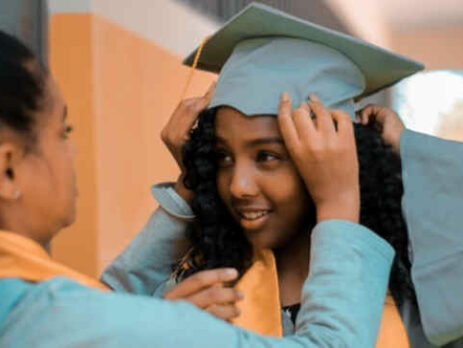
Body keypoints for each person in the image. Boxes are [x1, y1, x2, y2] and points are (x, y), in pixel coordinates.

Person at [0, 28, 395, 347]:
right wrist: (340, 201)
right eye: (62, 131)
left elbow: (105, 303)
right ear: (8, 170)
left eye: (268, 156)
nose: (239, 186)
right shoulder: (49, 313)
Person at [102, 3, 420, 347]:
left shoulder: (413, 298)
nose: (238, 186)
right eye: (222, 156)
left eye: (267, 156)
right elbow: (99, 318)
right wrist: (190, 186)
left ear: (336, 160)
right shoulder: (203, 291)